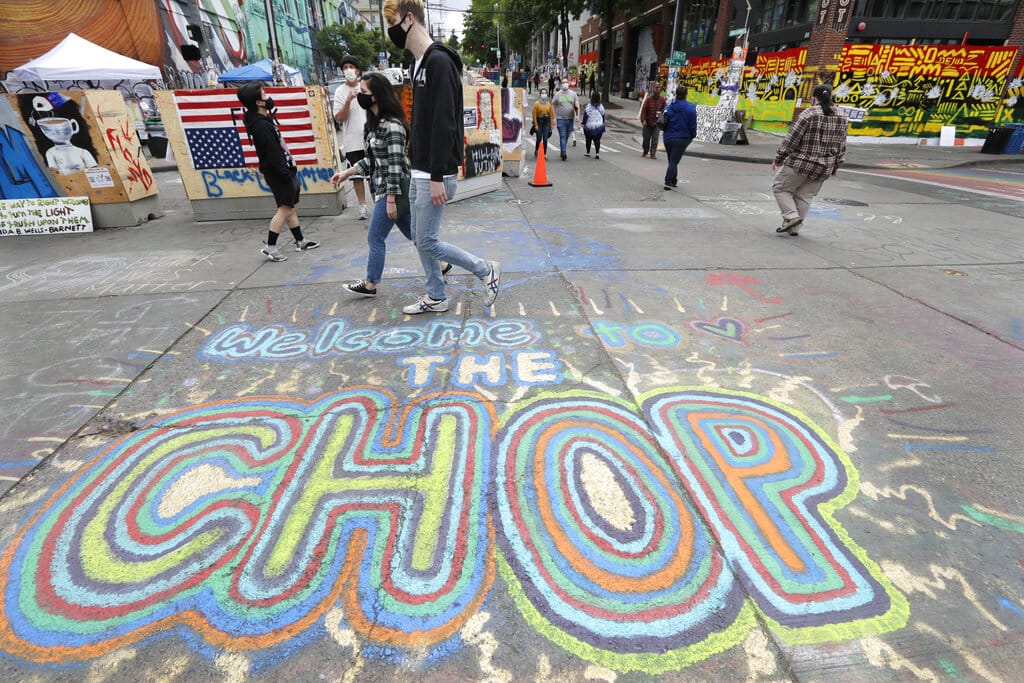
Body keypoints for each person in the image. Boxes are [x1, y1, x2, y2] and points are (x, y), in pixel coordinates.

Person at [383, 0, 501, 314]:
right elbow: (422, 120)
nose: (390, 32)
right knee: (421, 240)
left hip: (434, 173)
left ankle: (485, 269)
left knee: (428, 242)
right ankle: (436, 295)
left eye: (392, 23)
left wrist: (437, 176)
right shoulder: (417, 64)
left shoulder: (439, 62)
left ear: (409, 20)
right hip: (419, 168)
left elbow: (445, 122)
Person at [237, 82, 319, 262]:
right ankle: (271, 246)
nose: (268, 96)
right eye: (264, 94)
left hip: (282, 170)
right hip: (279, 172)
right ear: (258, 102)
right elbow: (273, 154)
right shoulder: (261, 126)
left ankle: (300, 241)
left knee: (290, 207)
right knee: (285, 209)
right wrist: (285, 173)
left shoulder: (262, 121)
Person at [771, 84, 847, 236]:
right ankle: (794, 228)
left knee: (780, 188)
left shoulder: (809, 113)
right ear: (830, 96)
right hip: (825, 166)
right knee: (805, 196)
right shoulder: (841, 115)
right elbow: (842, 143)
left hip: (801, 162)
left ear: (814, 98)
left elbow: (792, 138)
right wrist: (836, 165)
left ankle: (791, 217)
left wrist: (779, 158)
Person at [333, 55, 370, 220]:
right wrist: (348, 100)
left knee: (373, 173)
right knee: (356, 176)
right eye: (345, 67)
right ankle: (362, 206)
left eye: (351, 66)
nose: (348, 70)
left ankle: (379, 202)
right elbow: (339, 118)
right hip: (351, 141)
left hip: (369, 137)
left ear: (358, 70)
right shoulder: (340, 91)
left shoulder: (366, 86)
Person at [661, 85, 697, 191]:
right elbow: (693, 125)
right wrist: (692, 135)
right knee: (674, 161)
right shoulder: (690, 107)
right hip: (682, 137)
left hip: (668, 137)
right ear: (686, 95)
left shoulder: (669, 106)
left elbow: (663, 119)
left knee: (672, 160)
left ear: (676, 94)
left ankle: (673, 180)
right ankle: (668, 182)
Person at [551, 81, 579, 161]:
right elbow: (553, 105)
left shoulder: (573, 94)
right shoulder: (558, 94)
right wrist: (553, 117)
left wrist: (577, 115)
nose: (565, 84)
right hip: (561, 119)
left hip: (570, 119)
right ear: (561, 85)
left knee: (566, 136)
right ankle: (564, 153)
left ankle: (562, 150)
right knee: (563, 135)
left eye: (566, 82)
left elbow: (577, 105)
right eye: (563, 83)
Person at [639, 88, 666, 159]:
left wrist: (663, 118)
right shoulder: (648, 99)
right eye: (656, 88)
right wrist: (643, 120)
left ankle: (653, 153)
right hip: (647, 123)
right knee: (646, 139)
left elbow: (665, 109)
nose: (657, 90)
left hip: (657, 123)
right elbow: (644, 109)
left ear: (660, 91)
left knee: (655, 139)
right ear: (653, 90)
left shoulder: (662, 99)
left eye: (658, 89)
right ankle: (645, 150)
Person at [581, 91, 606, 159]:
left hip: (589, 125)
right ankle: (597, 153)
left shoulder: (589, 106)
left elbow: (585, 116)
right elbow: (603, 116)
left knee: (588, 139)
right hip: (599, 125)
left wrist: (583, 123)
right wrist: (603, 123)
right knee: (597, 140)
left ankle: (588, 152)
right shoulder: (601, 107)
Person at [531, 89, 554, 157]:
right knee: (539, 138)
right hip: (539, 122)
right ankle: (537, 149)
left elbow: (551, 115)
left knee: (545, 138)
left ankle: (545, 153)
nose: (544, 94)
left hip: (546, 122)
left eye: (545, 93)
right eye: (542, 93)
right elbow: (534, 114)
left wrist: (551, 124)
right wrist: (536, 125)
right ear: (540, 94)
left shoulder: (548, 104)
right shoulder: (537, 104)